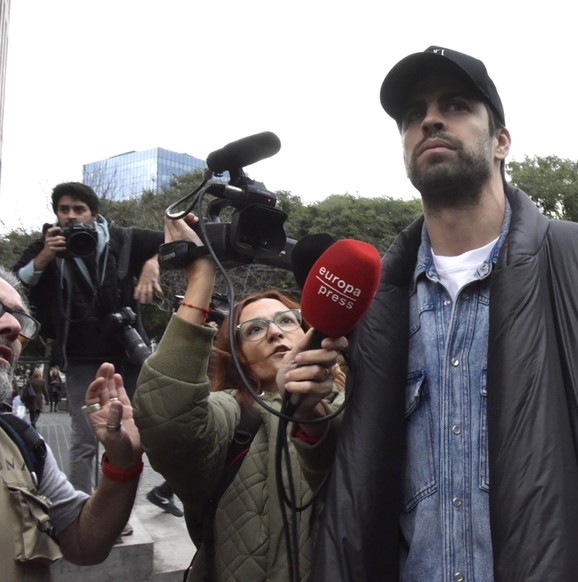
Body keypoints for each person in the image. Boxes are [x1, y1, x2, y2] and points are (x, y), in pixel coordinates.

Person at [308, 46, 578, 581]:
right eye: (412, 115)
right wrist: (311, 415)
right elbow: (359, 505)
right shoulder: (379, 305)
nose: (429, 120)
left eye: (454, 105)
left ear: (501, 141)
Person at [134, 215, 348, 582]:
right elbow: (167, 419)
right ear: (239, 357)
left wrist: (311, 412)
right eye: (254, 329)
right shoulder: (231, 413)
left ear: (309, 330)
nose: (274, 334)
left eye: (286, 320)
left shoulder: (359, 401)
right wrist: (201, 277)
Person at [11, 181, 181, 516]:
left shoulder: (125, 239)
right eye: (64, 210)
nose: (72, 217)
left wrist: (153, 263)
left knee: (132, 431)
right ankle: (79, 513)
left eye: (79, 210)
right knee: (85, 438)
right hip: (79, 355)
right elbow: (17, 284)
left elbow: (177, 235)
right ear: (56, 214)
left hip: (128, 351)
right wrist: (46, 256)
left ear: (94, 212)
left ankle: (117, 513)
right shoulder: (48, 245)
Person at [0, 266, 143, 581]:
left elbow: (83, 542)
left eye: (20, 319)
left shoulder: (23, 443)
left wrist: (124, 465)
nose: (12, 326)